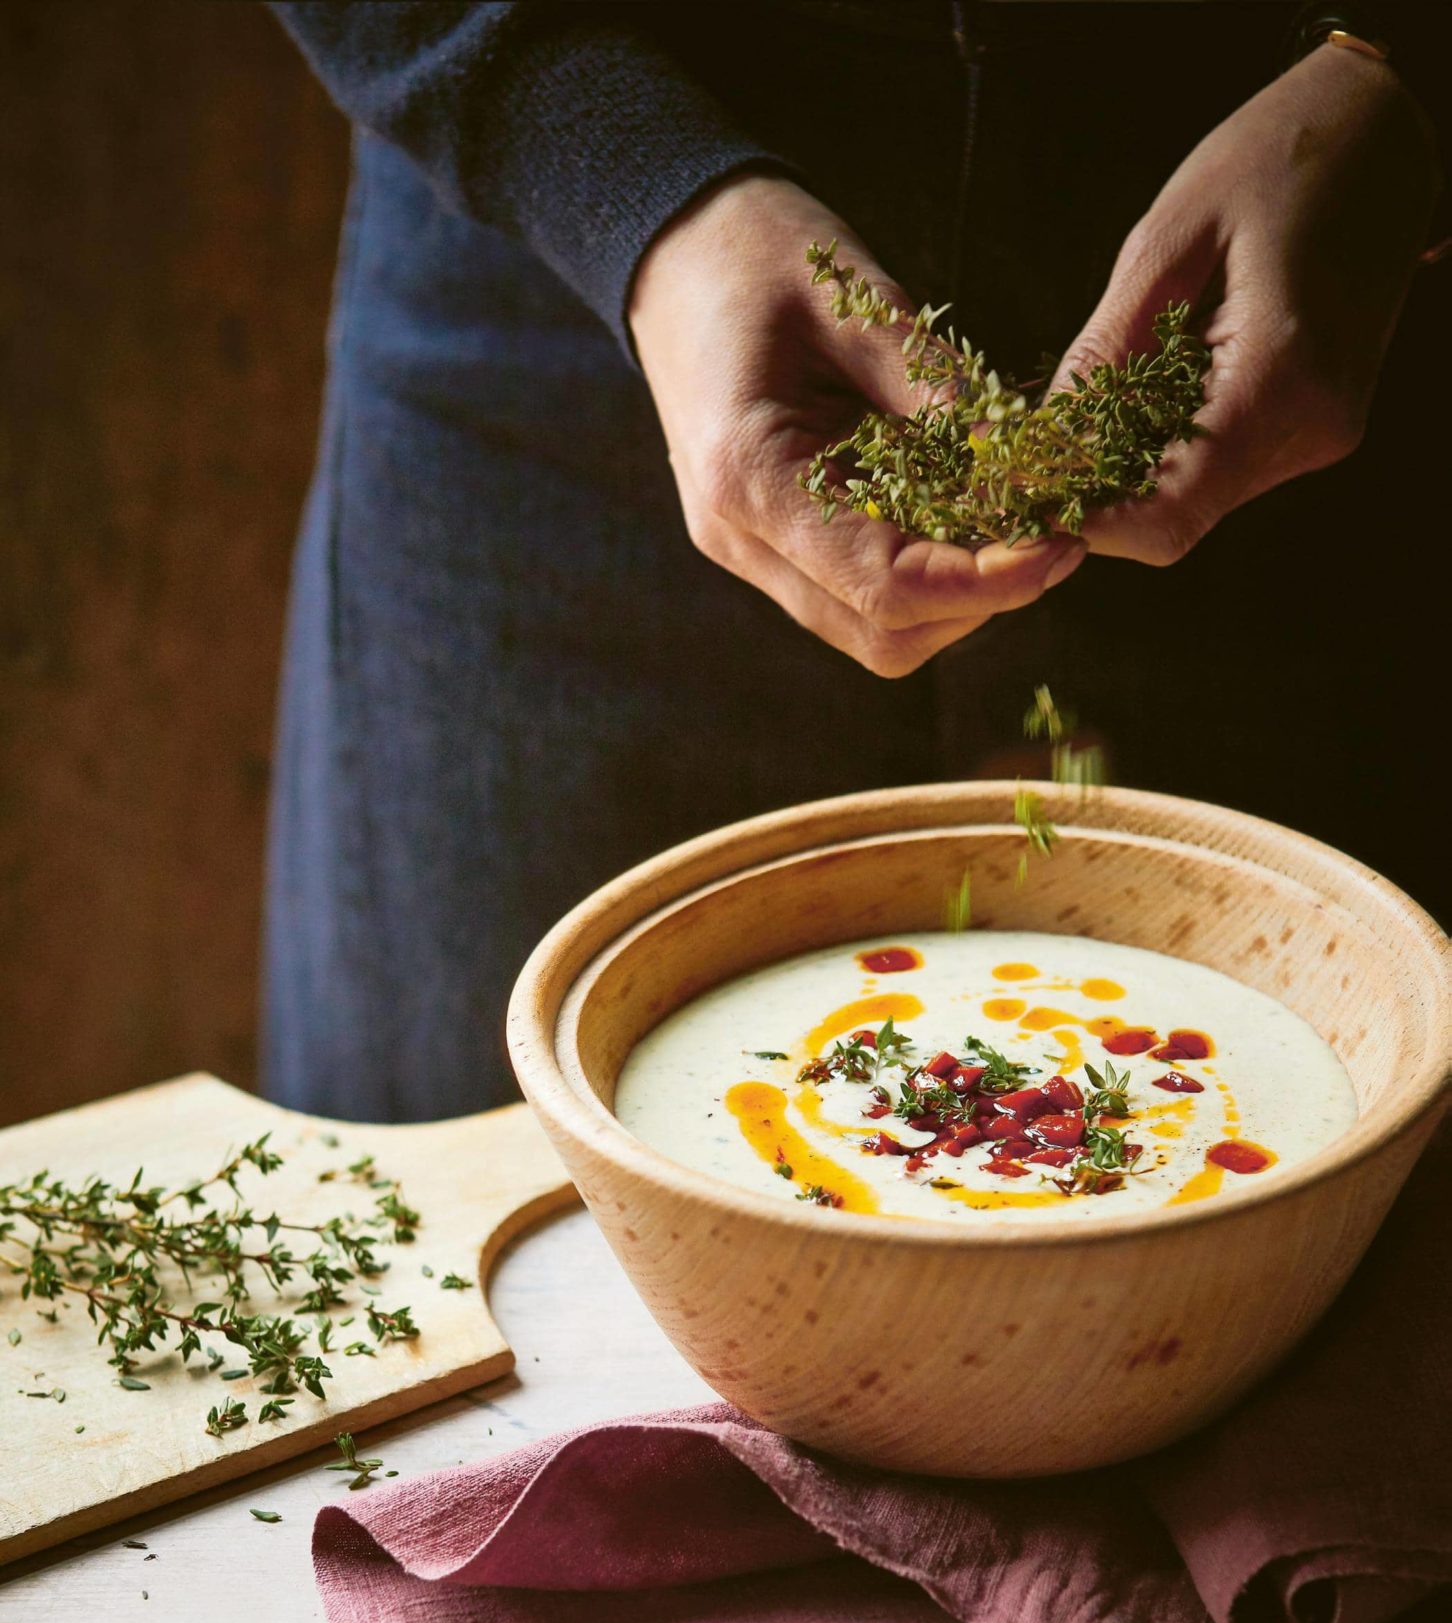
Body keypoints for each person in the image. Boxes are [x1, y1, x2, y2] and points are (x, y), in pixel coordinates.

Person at [264, 2, 1446, 1122]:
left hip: (1318, 267)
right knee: (475, 1183)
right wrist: (620, 181)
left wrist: (1403, 71)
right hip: (564, 268)